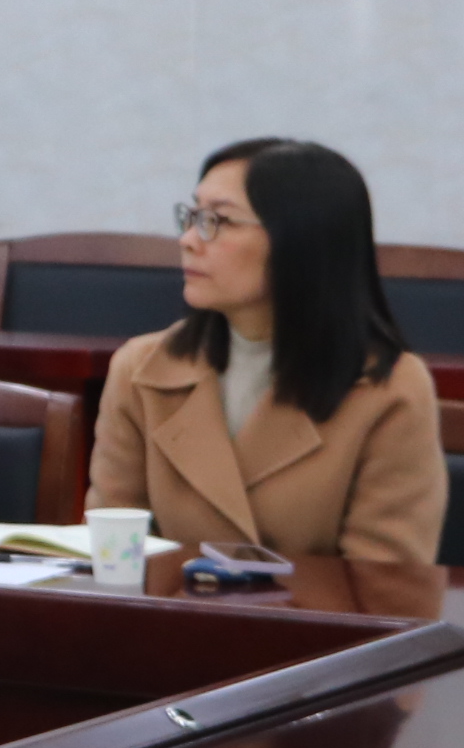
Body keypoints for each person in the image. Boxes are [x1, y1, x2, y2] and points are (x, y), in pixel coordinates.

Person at [87, 139, 447, 567]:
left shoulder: (391, 388)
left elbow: (383, 583)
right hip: (164, 610)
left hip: (322, 614)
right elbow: (112, 557)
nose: (188, 239)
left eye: (219, 220)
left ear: (301, 240)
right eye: (192, 216)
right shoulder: (141, 368)